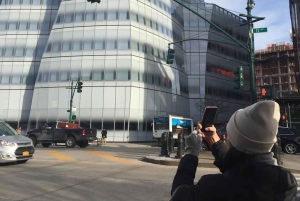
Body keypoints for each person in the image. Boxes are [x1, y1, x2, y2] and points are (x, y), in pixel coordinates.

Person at [171, 100, 298, 201]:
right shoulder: (286, 182)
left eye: (230, 136)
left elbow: (179, 195)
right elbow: (240, 167)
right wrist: (214, 138)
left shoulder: (215, 187)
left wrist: (191, 152)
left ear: (236, 142)